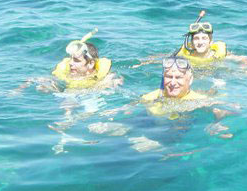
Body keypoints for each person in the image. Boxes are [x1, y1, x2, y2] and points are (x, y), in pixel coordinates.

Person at [99, 56, 235, 152]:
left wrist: (217, 123)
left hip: (174, 129)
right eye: (169, 77)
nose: (173, 82)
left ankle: (161, 145)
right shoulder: (155, 95)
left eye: (179, 77)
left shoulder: (197, 100)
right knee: (102, 135)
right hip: (148, 120)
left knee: (179, 124)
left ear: (190, 79)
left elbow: (223, 108)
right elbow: (135, 103)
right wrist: (120, 109)